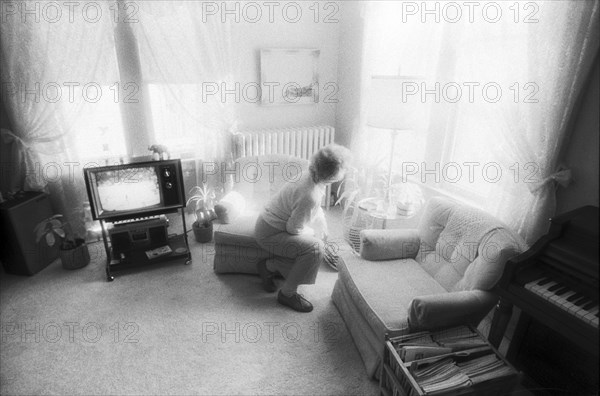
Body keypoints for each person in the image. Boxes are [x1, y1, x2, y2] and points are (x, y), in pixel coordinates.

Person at [254, 144, 351, 312]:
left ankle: (269, 266)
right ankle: (287, 294)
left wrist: (322, 225)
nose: (345, 172)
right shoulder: (310, 195)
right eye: (343, 169)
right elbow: (293, 229)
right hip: (269, 234)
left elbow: (315, 207)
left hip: (268, 224)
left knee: (313, 243)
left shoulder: (310, 173)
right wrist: (314, 234)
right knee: (315, 249)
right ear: (332, 176)